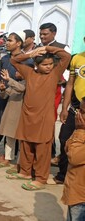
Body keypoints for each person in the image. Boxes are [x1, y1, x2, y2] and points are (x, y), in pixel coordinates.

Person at [6, 46, 71, 190]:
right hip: (27, 115)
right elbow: (14, 60)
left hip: (44, 118)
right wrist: (31, 53)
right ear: (36, 65)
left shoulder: (54, 74)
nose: (48, 67)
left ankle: (41, 178)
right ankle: (25, 172)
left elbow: (66, 57)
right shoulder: (29, 73)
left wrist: (48, 48)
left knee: (42, 149)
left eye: (50, 64)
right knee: (26, 145)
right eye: (44, 64)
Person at [0, 31, 31, 168]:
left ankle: (20, 162)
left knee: (20, 134)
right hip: (11, 98)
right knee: (8, 130)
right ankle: (8, 157)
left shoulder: (28, 60)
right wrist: (0, 89)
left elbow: (24, 87)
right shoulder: (5, 59)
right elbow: (0, 78)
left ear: (19, 43)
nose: (7, 43)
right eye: (7, 40)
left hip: (23, 102)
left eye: (10, 40)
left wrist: (11, 80)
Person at [38, 23, 71, 163]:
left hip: (55, 89)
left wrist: (63, 84)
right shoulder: (38, 48)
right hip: (38, 87)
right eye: (41, 34)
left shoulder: (62, 48)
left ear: (54, 33)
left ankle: (49, 152)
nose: (42, 36)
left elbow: (69, 70)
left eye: (45, 34)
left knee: (49, 120)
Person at [54, 36, 85, 184]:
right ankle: (62, 174)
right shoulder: (76, 59)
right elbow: (70, 84)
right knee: (64, 139)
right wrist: (64, 108)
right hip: (74, 109)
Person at [61, 98, 85, 221]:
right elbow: (67, 148)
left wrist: (80, 130)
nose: (78, 114)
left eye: (82, 111)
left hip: (81, 199)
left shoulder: (81, 131)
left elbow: (74, 157)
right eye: (78, 110)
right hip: (76, 193)